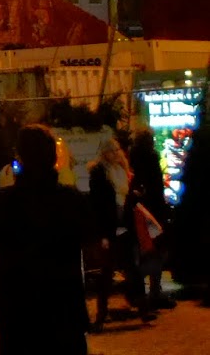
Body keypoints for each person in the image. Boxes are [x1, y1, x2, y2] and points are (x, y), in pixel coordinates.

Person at [0, 125, 90, 355]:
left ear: (20, 157)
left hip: (18, 320)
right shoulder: (71, 201)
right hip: (64, 318)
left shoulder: (1, 203)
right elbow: (90, 239)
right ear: (53, 158)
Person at [88, 133, 152, 330]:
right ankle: (101, 313)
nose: (116, 153)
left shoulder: (122, 170)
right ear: (105, 153)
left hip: (124, 224)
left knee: (132, 268)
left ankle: (142, 308)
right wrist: (103, 234)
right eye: (112, 151)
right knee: (107, 273)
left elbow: (125, 197)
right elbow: (98, 204)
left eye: (117, 150)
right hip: (109, 225)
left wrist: (135, 195)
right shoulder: (99, 173)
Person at [128, 128, 170, 310]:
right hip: (153, 210)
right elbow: (156, 185)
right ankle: (154, 290)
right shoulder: (151, 158)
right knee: (158, 250)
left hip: (139, 210)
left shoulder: (132, 157)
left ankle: (141, 288)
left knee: (144, 250)